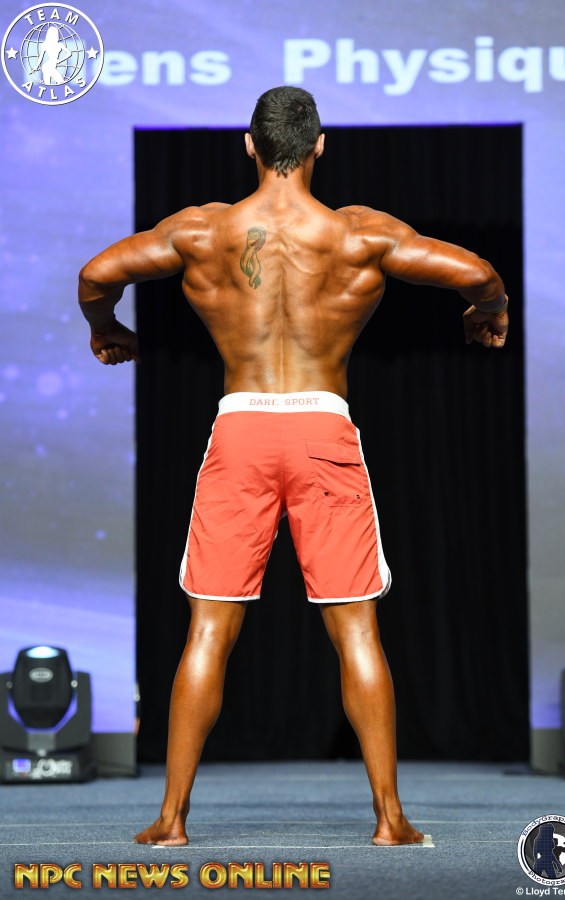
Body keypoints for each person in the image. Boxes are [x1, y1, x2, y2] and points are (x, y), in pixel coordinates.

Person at [78, 86, 508, 847]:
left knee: (209, 629)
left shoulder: (201, 231)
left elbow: (95, 274)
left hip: (241, 431)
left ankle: (171, 821)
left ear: (249, 145)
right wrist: (487, 312)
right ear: (319, 146)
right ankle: (390, 820)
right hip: (321, 432)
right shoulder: (359, 234)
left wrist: (107, 328)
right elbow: (477, 271)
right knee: (357, 631)